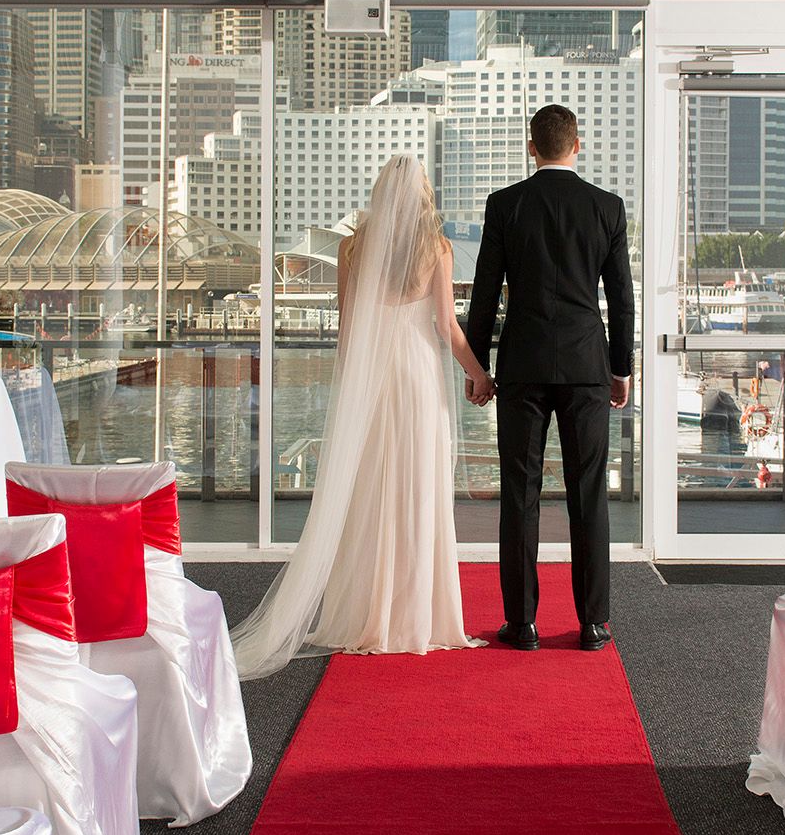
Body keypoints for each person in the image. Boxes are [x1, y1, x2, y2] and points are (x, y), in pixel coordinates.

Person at [231, 155, 492, 678]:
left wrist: (351, 388)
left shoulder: (353, 246)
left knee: (370, 489)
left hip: (372, 377)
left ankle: (364, 614)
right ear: (423, 196)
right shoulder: (435, 247)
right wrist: (481, 374)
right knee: (418, 488)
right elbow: (446, 326)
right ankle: (419, 617)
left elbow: (348, 329)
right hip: (418, 376)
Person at [466, 104, 635, 652]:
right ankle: (594, 623)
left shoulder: (505, 205)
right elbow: (621, 300)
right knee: (590, 492)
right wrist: (621, 368)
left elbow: (485, 295)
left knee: (521, 492)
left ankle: (522, 623)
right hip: (588, 367)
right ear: (577, 145)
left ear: (531, 147)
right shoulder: (607, 208)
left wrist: (478, 366)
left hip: (523, 366)